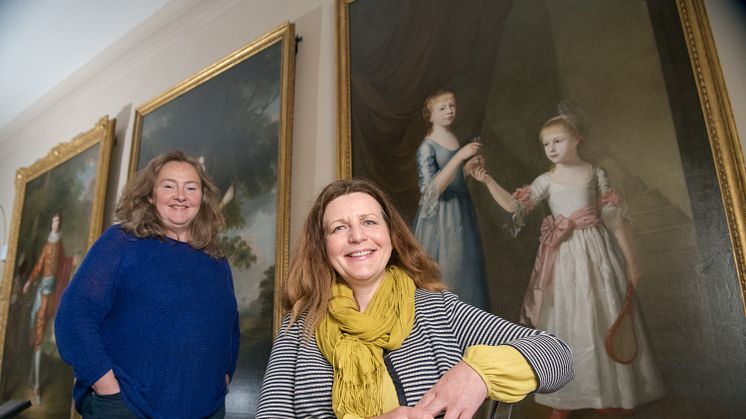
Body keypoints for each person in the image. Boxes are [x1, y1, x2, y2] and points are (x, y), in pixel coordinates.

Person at [256, 178, 574, 419]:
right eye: (339, 227)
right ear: (323, 247)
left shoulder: (438, 309)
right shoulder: (299, 328)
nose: (356, 236)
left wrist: (478, 373)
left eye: (369, 222)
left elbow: (558, 354)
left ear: (391, 235)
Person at [472, 110, 664, 418]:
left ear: (577, 139)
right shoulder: (547, 180)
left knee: (602, 317)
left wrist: (632, 262)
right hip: (564, 261)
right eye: (546, 143)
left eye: (558, 140)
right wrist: (487, 180)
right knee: (569, 321)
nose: (551, 148)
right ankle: (565, 400)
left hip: (598, 255)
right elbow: (515, 206)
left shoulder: (595, 173)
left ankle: (609, 395)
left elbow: (614, 221)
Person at [54, 150, 239, 419]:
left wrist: (223, 380)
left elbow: (230, 329)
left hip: (207, 411)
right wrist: (107, 388)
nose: (180, 195)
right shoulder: (120, 242)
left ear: (203, 198)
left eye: (191, 187)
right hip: (127, 408)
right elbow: (74, 317)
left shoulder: (217, 261)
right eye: (168, 186)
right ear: (151, 196)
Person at [411, 88, 489, 309]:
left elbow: (453, 181)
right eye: (442, 108)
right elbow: (430, 191)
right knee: (449, 273)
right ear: (430, 114)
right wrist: (460, 158)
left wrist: (468, 169)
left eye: (452, 106)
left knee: (467, 272)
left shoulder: (453, 138)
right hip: (440, 221)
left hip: (461, 214)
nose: (449, 111)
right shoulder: (427, 146)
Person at [21, 211, 76, 405]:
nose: (56, 223)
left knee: (49, 331)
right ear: (50, 223)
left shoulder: (59, 244)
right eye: (53, 220)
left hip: (53, 294)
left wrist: (72, 261)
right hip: (43, 293)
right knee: (38, 333)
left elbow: (63, 264)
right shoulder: (47, 245)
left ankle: (34, 378)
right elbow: (39, 266)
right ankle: (35, 384)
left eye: (58, 220)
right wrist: (29, 282)